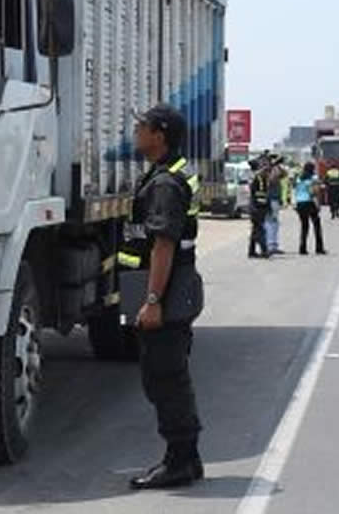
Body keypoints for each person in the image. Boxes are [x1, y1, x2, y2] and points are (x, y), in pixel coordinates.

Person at [127, 104, 205, 490]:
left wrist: (153, 300)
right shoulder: (169, 172)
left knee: (164, 378)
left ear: (158, 134)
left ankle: (178, 461)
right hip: (178, 287)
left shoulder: (164, 184)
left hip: (168, 290)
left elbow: (162, 245)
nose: (135, 132)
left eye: (140, 127)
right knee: (170, 375)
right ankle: (188, 459)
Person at [293, 162, 326, 255]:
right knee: (316, 225)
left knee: (304, 226)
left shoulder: (299, 179)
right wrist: (318, 204)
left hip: (300, 203)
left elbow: (295, 191)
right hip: (309, 202)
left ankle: (302, 248)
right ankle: (319, 248)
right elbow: (314, 192)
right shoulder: (313, 178)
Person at [246, 159, 270, 259]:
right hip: (257, 208)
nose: (267, 172)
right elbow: (257, 194)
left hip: (259, 207)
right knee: (260, 230)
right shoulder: (258, 178)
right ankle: (264, 250)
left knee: (255, 230)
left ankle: (251, 251)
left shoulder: (261, 178)